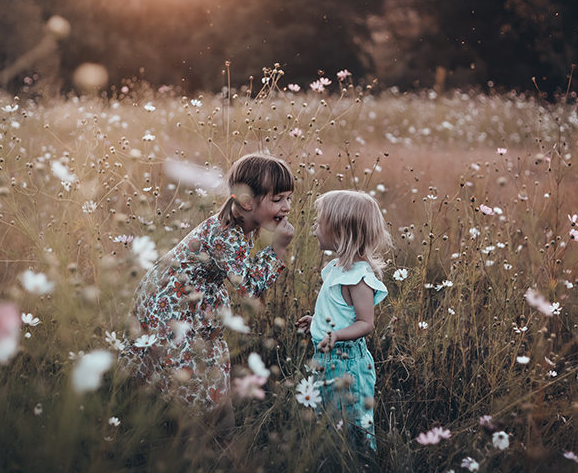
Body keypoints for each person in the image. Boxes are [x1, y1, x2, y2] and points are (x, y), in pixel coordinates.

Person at [122, 153, 295, 422]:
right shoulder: (226, 235)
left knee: (206, 373)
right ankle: (199, 437)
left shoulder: (241, 223)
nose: (286, 207)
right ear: (248, 202)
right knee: (196, 380)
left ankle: (205, 431)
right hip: (174, 311)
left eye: (289, 198)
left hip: (186, 305)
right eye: (277, 199)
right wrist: (278, 249)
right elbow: (248, 289)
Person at [295, 190, 392, 450]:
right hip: (328, 358)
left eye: (320, 220)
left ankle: (363, 471)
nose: (314, 225)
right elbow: (341, 312)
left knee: (352, 423)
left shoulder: (358, 279)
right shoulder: (338, 268)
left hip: (347, 362)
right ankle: (336, 469)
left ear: (340, 232)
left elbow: (365, 323)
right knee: (330, 420)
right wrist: (316, 321)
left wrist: (336, 335)